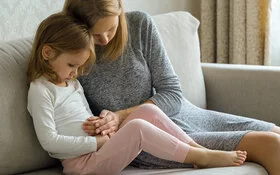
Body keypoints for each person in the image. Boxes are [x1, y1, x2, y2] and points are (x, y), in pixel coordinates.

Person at [62, 0, 280, 174]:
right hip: (153, 139)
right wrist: (110, 123)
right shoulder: (71, 56)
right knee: (272, 145)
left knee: (277, 133)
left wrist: (119, 115)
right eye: (95, 34)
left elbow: (172, 94)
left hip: (186, 114)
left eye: (111, 28)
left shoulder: (139, 25)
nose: (106, 39)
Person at [26, 12, 247, 175]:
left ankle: (198, 150)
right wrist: (97, 143)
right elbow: (50, 143)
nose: (76, 73)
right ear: (47, 53)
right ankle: (202, 157)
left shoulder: (72, 83)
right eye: (72, 65)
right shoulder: (40, 90)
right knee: (138, 129)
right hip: (82, 165)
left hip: (99, 149)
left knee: (147, 110)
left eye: (79, 67)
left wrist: (101, 121)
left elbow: (83, 114)